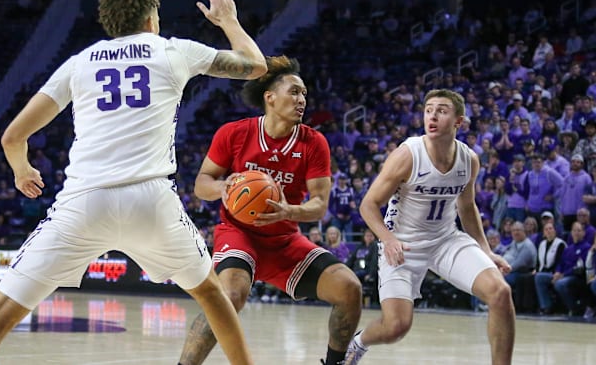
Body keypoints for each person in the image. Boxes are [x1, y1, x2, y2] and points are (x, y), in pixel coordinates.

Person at [0, 0, 267, 365]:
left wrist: (22, 170)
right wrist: (229, 22)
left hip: (84, 201)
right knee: (211, 293)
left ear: (110, 25)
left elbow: (12, 136)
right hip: (151, 200)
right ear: (152, 20)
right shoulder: (173, 50)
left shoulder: (80, 62)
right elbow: (255, 66)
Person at [178, 56, 362, 365]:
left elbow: (319, 205)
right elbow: (201, 183)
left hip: (284, 240)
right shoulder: (234, 133)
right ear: (270, 96)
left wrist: (289, 211)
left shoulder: (314, 143)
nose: (301, 99)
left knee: (350, 289)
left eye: (304, 94)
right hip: (239, 235)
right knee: (230, 298)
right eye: (294, 91)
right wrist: (224, 188)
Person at [346, 89, 514, 365]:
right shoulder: (408, 155)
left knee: (500, 293)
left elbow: (467, 206)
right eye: (428, 109)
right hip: (403, 244)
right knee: (396, 327)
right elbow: (368, 204)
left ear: (458, 122)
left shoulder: (468, 159)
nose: (432, 115)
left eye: (442, 110)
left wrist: (486, 251)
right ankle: (358, 343)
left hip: (445, 240)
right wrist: (387, 239)